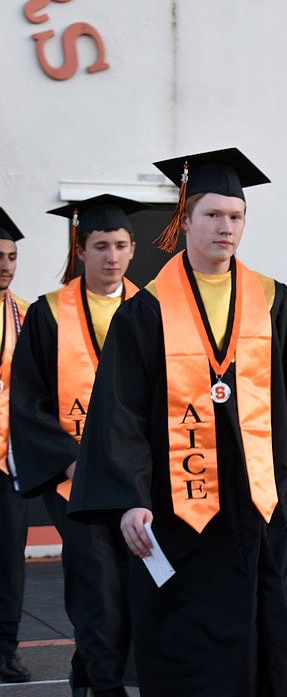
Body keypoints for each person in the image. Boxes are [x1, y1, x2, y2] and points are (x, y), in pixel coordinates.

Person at [67, 148, 287, 696]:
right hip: (179, 510)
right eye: (211, 215)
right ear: (184, 219)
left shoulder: (272, 300)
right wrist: (130, 496)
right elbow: (123, 412)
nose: (225, 227)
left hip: (258, 506)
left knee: (265, 637)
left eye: (236, 216)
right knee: (189, 650)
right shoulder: (147, 308)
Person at [10, 194, 146, 697]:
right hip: (76, 479)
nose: (112, 257)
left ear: (132, 249)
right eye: (101, 246)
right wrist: (70, 463)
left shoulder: (152, 309)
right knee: (98, 587)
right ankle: (106, 686)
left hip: (137, 479)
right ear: (81, 250)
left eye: (120, 245)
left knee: (134, 587)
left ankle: (89, 675)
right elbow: (29, 400)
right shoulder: (49, 314)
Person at [0, 208, 30, 685]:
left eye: (11, 257)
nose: (5, 266)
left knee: (7, 557)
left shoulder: (26, 314)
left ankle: (5, 648)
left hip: (8, 459)